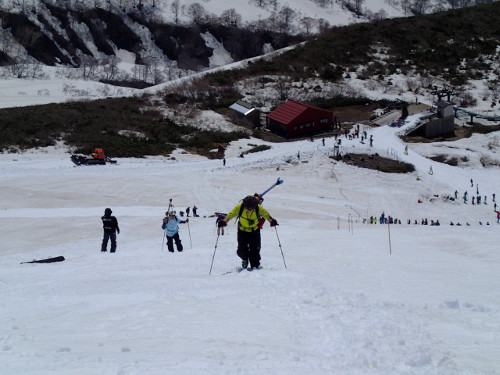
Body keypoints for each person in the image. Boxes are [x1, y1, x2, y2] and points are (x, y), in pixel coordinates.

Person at [218, 195, 278, 269]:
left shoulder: (258, 207)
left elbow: (266, 215)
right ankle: (245, 259)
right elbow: (231, 214)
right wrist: (224, 221)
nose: (248, 210)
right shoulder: (240, 206)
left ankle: (255, 266)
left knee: (255, 249)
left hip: (254, 231)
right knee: (241, 249)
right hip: (242, 231)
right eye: (247, 208)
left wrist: (272, 221)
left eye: (250, 208)